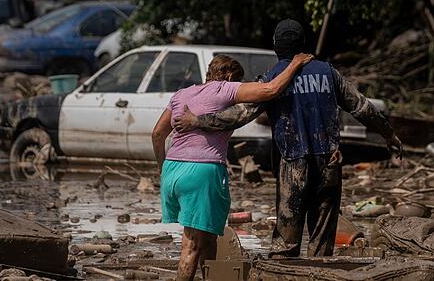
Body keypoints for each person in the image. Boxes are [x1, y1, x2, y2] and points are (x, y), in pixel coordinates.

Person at [174, 19, 402, 258]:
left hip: (293, 163)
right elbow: (362, 107)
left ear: (276, 46)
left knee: (286, 241)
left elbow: (240, 115)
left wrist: (198, 121)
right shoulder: (328, 73)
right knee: (322, 238)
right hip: (329, 161)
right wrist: (389, 134)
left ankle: (283, 271)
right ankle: (320, 271)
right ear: (303, 44)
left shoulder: (273, 78)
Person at [151, 52, 313, 281]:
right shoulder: (225, 89)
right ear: (228, 76)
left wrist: (162, 168)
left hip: (172, 170)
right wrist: (295, 63)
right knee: (192, 245)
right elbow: (271, 90)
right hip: (201, 171)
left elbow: (157, 134)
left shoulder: (181, 94)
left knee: (208, 236)